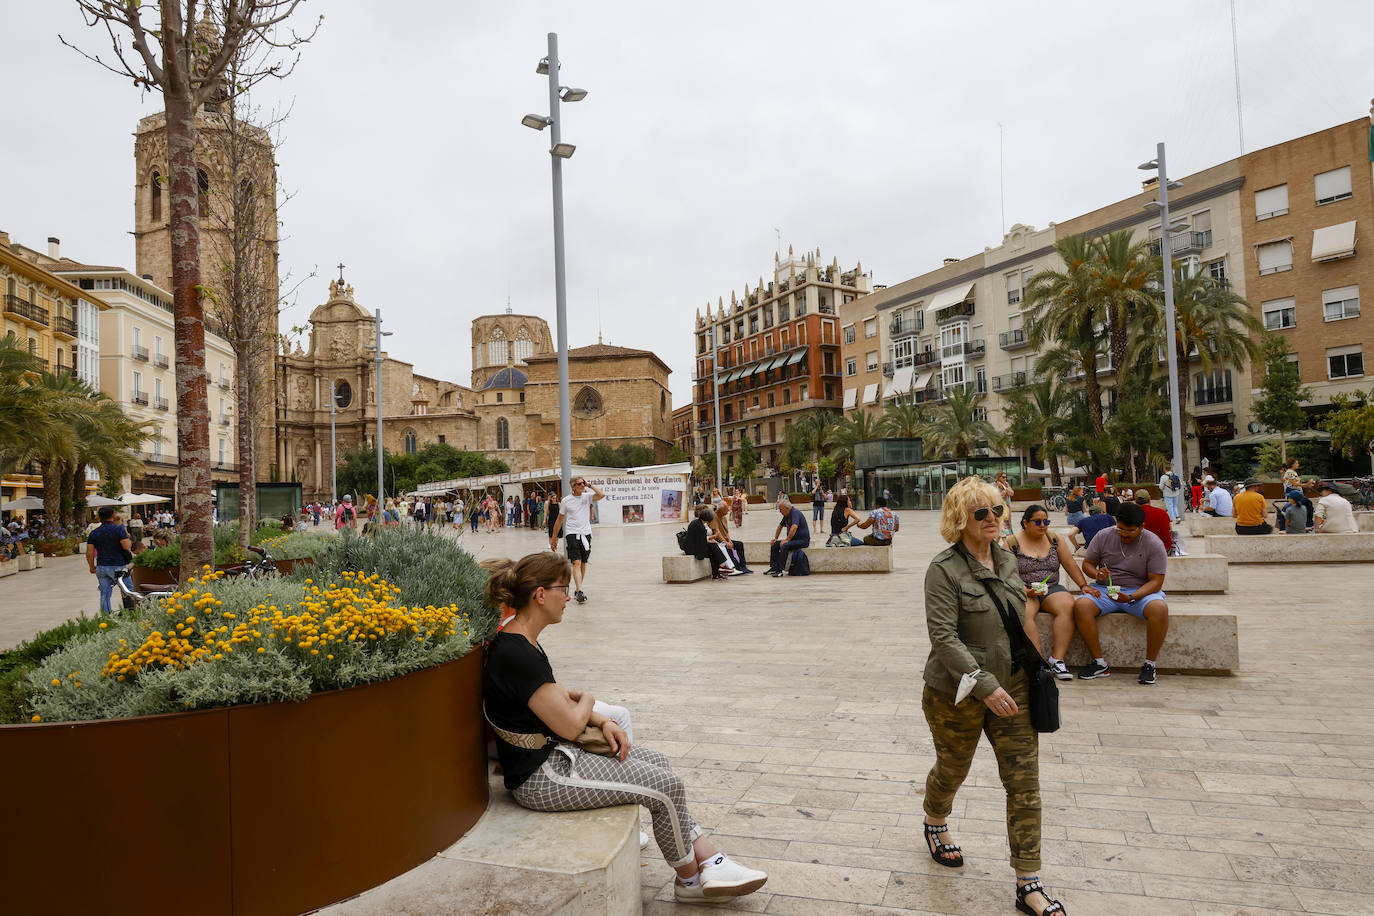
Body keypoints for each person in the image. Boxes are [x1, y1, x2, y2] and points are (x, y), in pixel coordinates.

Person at [481, 552, 768, 903]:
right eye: (563, 589)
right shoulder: (516, 653)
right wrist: (588, 698)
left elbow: (553, 698)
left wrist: (603, 719)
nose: (569, 597)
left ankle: (711, 859)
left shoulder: (523, 642)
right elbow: (570, 724)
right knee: (666, 787)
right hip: (540, 777)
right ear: (540, 595)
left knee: (659, 763)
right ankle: (690, 881)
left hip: (555, 759)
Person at [921, 476, 1067, 916]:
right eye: (980, 512)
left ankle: (1029, 883)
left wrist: (1039, 667)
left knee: (1024, 785)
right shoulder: (943, 570)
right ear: (959, 519)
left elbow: (1019, 622)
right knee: (953, 768)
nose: (992, 518)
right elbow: (944, 638)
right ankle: (935, 820)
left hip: (1015, 688)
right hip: (957, 694)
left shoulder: (1008, 561)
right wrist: (985, 685)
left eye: (997, 510)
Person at [1072, 501, 1169, 686]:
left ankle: (1150, 664)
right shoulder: (1104, 536)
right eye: (1120, 529)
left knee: (1159, 608)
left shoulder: (1153, 543)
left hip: (1138, 590)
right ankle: (1099, 662)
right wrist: (1097, 573)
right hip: (1105, 589)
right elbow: (1087, 564)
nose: (1124, 534)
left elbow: (1156, 581)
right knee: (1081, 605)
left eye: (1130, 531)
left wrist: (1133, 597)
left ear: (1142, 527)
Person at [1008, 505, 1088, 682]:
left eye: (1046, 521)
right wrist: (1024, 590)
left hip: (1051, 587)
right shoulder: (1011, 542)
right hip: (1025, 588)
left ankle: (1057, 659)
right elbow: (1006, 574)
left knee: (1068, 606)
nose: (1043, 525)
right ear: (1025, 523)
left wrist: (1083, 585)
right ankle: (1037, 661)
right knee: (1025, 613)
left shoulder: (1054, 540)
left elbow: (1070, 564)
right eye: (1038, 522)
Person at [552, 476, 604, 603]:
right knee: (576, 562)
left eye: (583, 483)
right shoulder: (566, 500)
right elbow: (559, 520)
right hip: (571, 533)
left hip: (585, 534)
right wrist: (554, 538)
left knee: (583, 563)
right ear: (573, 487)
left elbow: (601, 495)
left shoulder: (587, 497)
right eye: (579, 483)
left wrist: (589, 485)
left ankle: (577, 588)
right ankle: (580, 590)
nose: (582, 485)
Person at [86, 506, 133, 615]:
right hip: (119, 566)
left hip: (102, 566)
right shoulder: (119, 529)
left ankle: (106, 617)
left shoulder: (94, 533)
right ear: (113, 516)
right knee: (128, 591)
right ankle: (130, 614)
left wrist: (91, 566)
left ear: (99, 517)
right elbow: (126, 546)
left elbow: (89, 553)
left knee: (105, 594)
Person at [682, 506, 733, 579]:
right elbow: (703, 541)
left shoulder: (696, 523)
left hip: (691, 547)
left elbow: (703, 540)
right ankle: (721, 566)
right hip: (692, 550)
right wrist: (715, 536)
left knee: (713, 548)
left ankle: (718, 571)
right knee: (713, 548)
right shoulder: (700, 527)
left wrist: (713, 540)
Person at [766, 498, 810, 577]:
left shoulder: (795, 513)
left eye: (781, 509)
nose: (780, 511)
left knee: (785, 545)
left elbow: (794, 527)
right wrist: (775, 538)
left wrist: (787, 540)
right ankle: (774, 567)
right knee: (775, 544)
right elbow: (780, 526)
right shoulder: (786, 515)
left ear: (787, 508)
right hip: (792, 540)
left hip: (802, 541)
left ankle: (780, 570)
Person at [709, 502, 751, 574]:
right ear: (721, 510)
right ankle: (735, 567)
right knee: (727, 547)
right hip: (718, 540)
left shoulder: (724, 518)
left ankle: (743, 566)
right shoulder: (714, 517)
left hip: (725, 539)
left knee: (739, 544)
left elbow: (726, 532)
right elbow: (717, 533)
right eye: (726, 510)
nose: (728, 511)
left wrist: (730, 541)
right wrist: (726, 542)